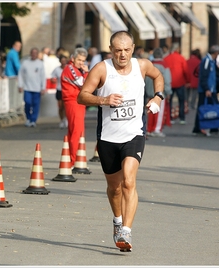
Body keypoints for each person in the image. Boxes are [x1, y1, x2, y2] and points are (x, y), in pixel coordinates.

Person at [77, 31, 164, 252]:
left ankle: (126, 230)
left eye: (126, 50)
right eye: (117, 50)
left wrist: (158, 97)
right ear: (110, 50)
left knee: (128, 180)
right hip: (107, 137)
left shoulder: (142, 66)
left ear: (133, 48)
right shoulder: (101, 69)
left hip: (134, 133)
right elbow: (82, 95)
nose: (122, 54)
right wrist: (103, 99)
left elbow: (158, 76)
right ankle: (117, 220)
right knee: (114, 188)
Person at [61, 47, 89, 168]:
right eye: (79, 60)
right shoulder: (70, 68)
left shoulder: (76, 69)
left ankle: (73, 158)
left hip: (78, 101)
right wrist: (87, 73)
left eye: (83, 61)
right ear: (73, 59)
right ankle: (72, 160)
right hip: (73, 101)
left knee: (76, 131)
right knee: (76, 131)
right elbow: (82, 83)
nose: (81, 63)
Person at [192, 45, 219, 136]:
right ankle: (199, 128)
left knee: (214, 108)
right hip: (206, 90)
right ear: (216, 53)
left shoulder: (211, 61)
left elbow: (212, 76)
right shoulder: (207, 61)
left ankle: (214, 128)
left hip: (211, 89)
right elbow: (203, 76)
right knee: (203, 109)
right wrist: (206, 89)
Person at [145, 47, 172, 137]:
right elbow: (167, 80)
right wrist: (168, 92)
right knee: (159, 112)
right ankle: (156, 129)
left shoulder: (149, 64)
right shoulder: (164, 65)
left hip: (149, 91)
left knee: (150, 112)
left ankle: (149, 129)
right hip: (160, 92)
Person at [18, 47, 46, 127]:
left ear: (37, 54)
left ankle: (33, 120)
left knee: (35, 105)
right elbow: (20, 74)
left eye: (35, 53)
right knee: (27, 103)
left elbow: (42, 76)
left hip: (37, 88)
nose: (34, 54)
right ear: (30, 54)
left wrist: (43, 87)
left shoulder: (40, 64)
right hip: (27, 88)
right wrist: (20, 85)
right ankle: (28, 118)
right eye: (32, 53)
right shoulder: (25, 63)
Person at [164, 42, 190, 124]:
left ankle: (170, 118)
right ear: (177, 49)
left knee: (169, 101)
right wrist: (188, 81)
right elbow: (186, 70)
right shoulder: (181, 58)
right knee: (181, 100)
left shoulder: (166, 58)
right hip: (180, 82)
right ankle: (182, 118)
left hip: (169, 83)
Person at [50, 55, 68, 128]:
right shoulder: (57, 69)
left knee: (66, 106)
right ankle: (62, 120)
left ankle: (66, 119)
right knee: (60, 106)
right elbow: (52, 77)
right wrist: (53, 80)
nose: (63, 62)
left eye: (64, 60)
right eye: (62, 60)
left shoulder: (68, 68)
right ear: (60, 61)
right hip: (59, 89)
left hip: (67, 90)